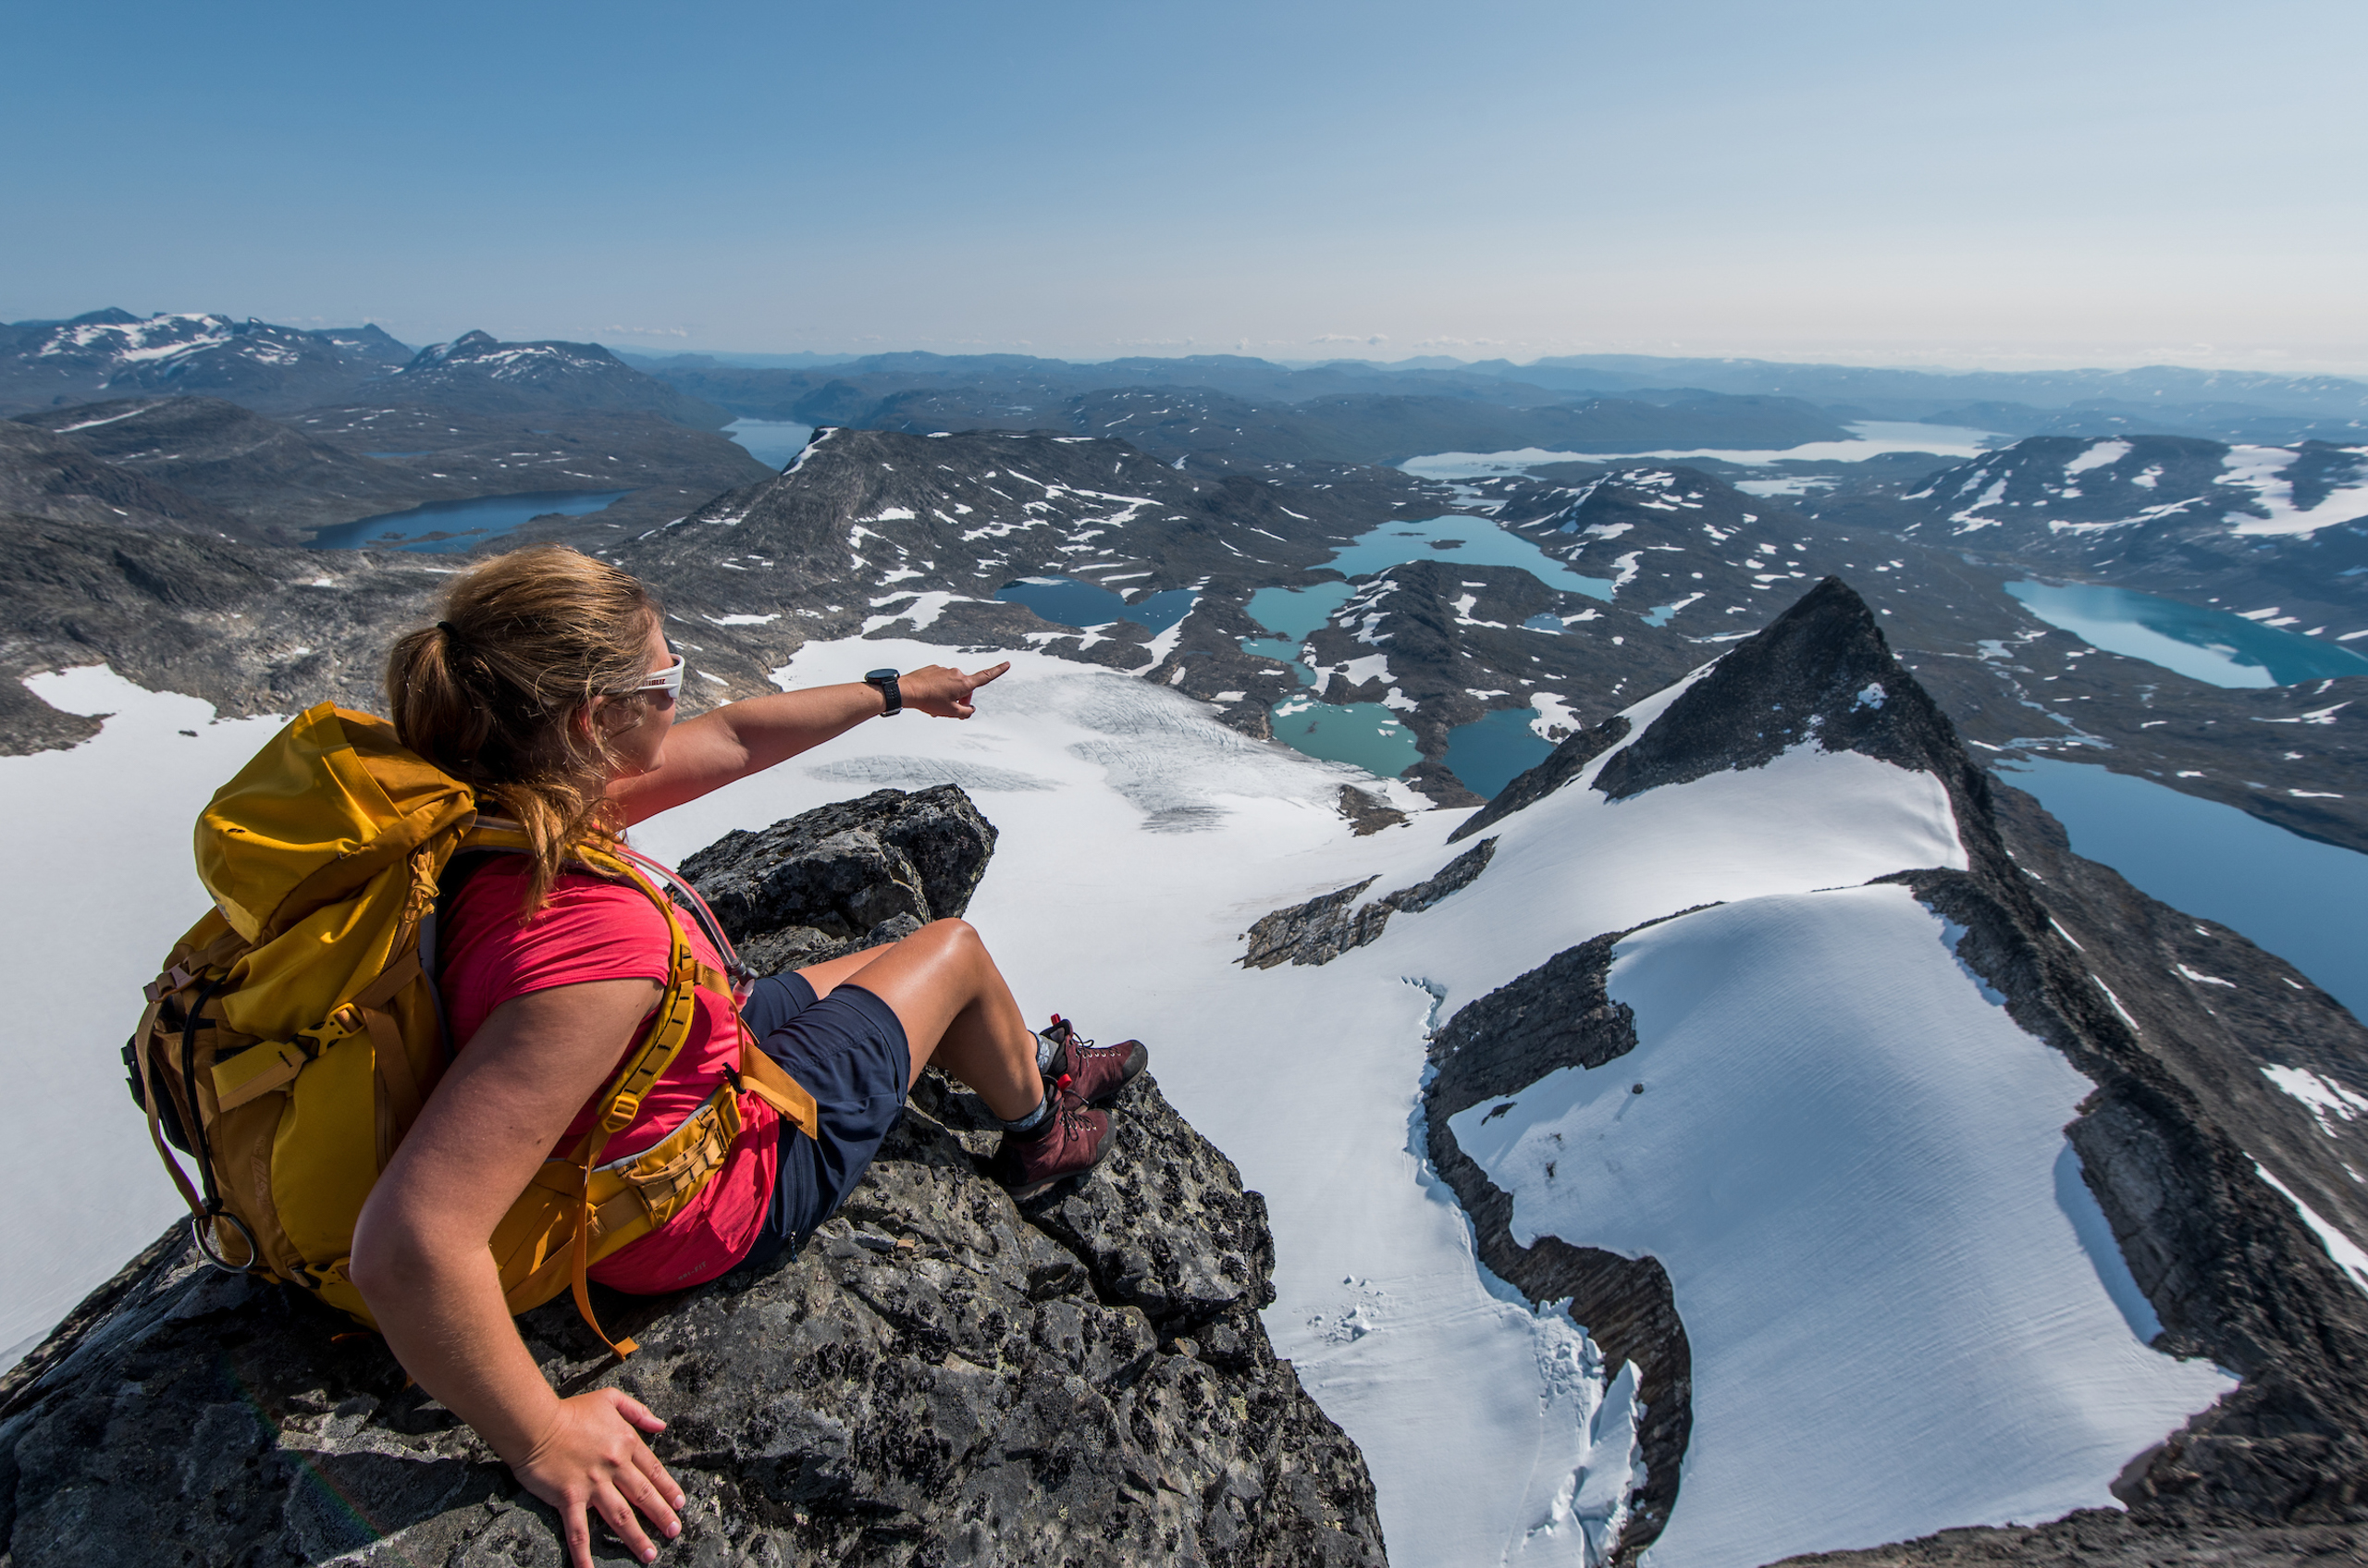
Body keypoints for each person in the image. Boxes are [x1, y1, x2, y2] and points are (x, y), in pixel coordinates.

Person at [347, 545, 1146, 1568]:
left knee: (894, 963)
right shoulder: (597, 948)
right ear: (592, 720)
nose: (683, 691)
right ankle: (1040, 1129)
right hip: (705, 1199)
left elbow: (732, 738)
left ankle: (1030, 1057)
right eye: (666, 676)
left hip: (665, 1065)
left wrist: (896, 691)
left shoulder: (501, 798)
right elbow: (408, 1242)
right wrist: (540, 1434)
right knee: (950, 949)